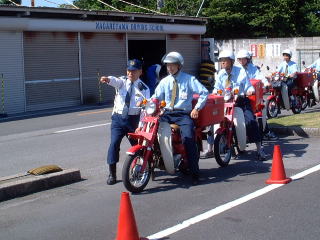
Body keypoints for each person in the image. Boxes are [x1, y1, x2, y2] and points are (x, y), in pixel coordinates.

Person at [152, 51, 209, 185]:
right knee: (152, 134)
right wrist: (147, 103)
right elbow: (155, 96)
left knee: (188, 139)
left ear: (179, 66)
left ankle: (195, 173)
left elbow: (204, 92)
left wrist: (197, 108)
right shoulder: (164, 81)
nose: (170, 68)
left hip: (183, 115)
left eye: (172, 65)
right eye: (168, 65)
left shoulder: (189, 79)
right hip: (166, 114)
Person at [100, 59, 150, 185]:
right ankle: (112, 174)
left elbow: (145, 111)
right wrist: (107, 79)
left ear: (140, 72)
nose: (130, 73)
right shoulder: (122, 82)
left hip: (133, 121)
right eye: (128, 71)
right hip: (118, 119)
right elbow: (114, 80)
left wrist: (140, 126)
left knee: (138, 147)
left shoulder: (144, 89)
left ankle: (144, 168)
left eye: (133, 71)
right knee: (114, 144)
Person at [213, 50, 266, 160]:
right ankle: (217, 146)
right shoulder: (220, 74)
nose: (222, 62)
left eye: (225, 60)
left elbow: (248, 86)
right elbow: (217, 88)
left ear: (231, 61)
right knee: (215, 121)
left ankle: (259, 149)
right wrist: (215, 93)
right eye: (221, 60)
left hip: (240, 102)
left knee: (250, 121)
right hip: (226, 102)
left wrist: (250, 91)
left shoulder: (241, 71)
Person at [236, 49, 278, 141]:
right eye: (240, 59)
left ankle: (266, 132)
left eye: (244, 59)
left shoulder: (252, 68)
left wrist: (266, 83)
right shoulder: (236, 69)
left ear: (248, 59)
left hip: (253, 94)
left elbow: (260, 76)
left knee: (260, 109)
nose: (242, 61)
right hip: (239, 95)